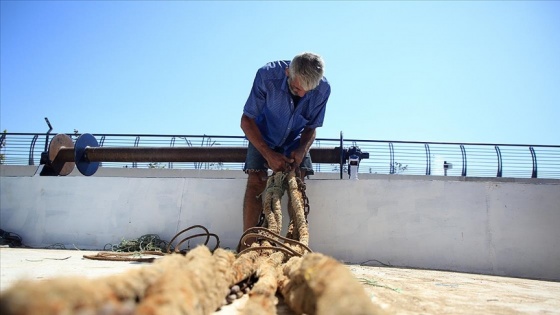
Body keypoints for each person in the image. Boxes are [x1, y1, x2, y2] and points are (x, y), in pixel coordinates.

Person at [240, 52, 331, 233]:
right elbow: (246, 121)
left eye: (308, 91)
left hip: (296, 139)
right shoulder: (266, 76)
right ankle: (247, 243)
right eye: (297, 89)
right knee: (256, 180)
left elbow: (311, 128)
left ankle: (294, 242)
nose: (303, 94)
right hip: (262, 134)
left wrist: (301, 151)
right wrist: (268, 154)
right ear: (288, 72)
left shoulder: (323, 90)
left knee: (297, 182)